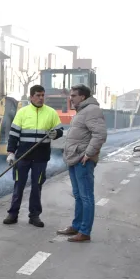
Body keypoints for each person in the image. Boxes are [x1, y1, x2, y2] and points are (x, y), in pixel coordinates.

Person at [4, 85, 64, 227]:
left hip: (41, 158)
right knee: (19, 186)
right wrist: (11, 153)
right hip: (22, 156)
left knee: (37, 187)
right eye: (38, 95)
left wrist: (56, 133)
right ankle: (13, 214)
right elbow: (13, 135)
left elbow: (60, 130)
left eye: (43, 95)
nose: (41, 98)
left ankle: (34, 216)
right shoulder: (22, 113)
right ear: (31, 97)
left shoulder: (51, 113)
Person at [56, 84, 108, 242]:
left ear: (82, 97)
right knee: (78, 195)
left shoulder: (92, 110)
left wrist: (88, 154)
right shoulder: (82, 111)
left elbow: (100, 134)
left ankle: (84, 232)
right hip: (74, 158)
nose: (70, 98)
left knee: (86, 197)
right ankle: (77, 226)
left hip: (82, 160)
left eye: (73, 96)